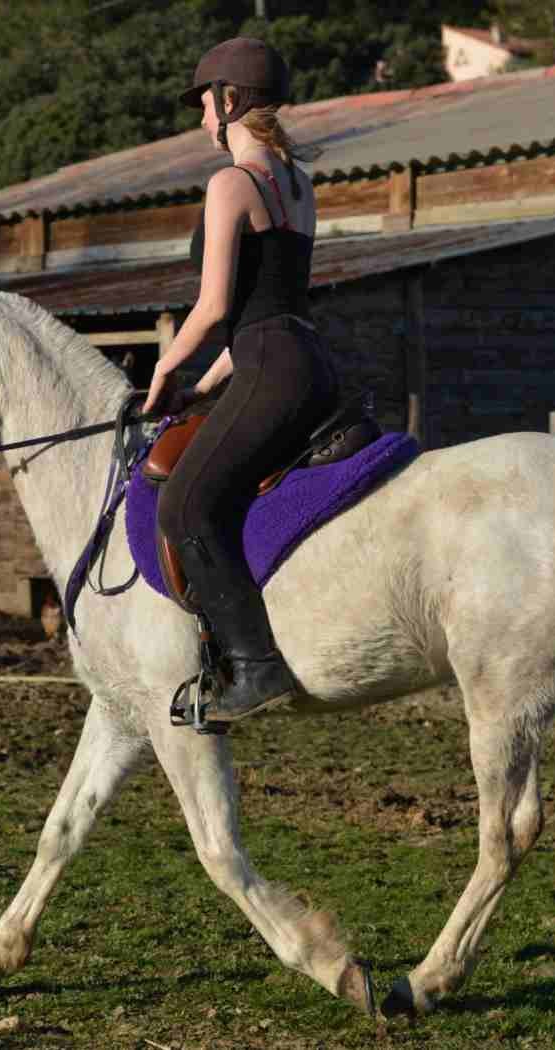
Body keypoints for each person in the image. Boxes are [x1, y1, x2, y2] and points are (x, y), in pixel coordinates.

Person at [142, 37, 341, 723]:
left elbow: (215, 309)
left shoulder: (230, 184)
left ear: (229, 100)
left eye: (203, 101)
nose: (200, 116)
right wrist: (199, 392)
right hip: (305, 363)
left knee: (184, 508)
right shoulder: (297, 186)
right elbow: (268, 312)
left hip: (267, 369)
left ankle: (255, 668)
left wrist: (165, 368)